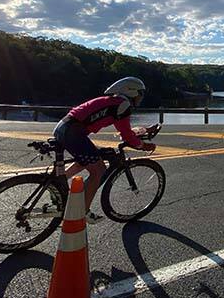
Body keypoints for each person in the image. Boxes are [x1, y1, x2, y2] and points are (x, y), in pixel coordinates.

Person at [53, 76, 156, 223]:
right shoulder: (123, 105)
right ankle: (82, 211)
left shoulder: (113, 102)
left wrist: (143, 130)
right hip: (73, 132)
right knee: (98, 170)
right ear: (131, 91)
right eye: (141, 93)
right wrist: (144, 146)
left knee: (88, 159)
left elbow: (125, 130)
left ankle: (58, 183)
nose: (141, 97)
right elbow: (127, 135)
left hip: (64, 127)